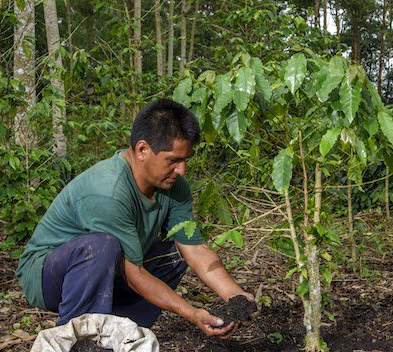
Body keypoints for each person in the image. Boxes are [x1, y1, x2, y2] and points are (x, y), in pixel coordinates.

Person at [16, 99, 252, 336]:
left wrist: (235, 295)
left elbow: (194, 249)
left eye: (184, 160)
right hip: (49, 276)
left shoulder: (174, 187)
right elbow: (134, 275)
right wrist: (191, 313)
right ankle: (80, 339)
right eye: (173, 160)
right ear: (142, 150)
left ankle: (123, 332)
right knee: (102, 247)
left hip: (114, 265)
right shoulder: (108, 190)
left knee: (174, 252)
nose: (181, 170)